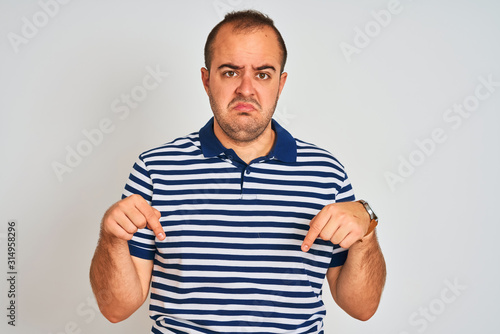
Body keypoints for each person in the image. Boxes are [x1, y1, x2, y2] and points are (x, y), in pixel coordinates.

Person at [90, 9, 386, 333]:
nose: (246, 89)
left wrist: (366, 233)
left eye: (262, 74)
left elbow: (362, 308)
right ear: (206, 80)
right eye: (231, 72)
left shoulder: (326, 173)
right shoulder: (154, 169)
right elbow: (116, 309)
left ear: (280, 83)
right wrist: (112, 240)